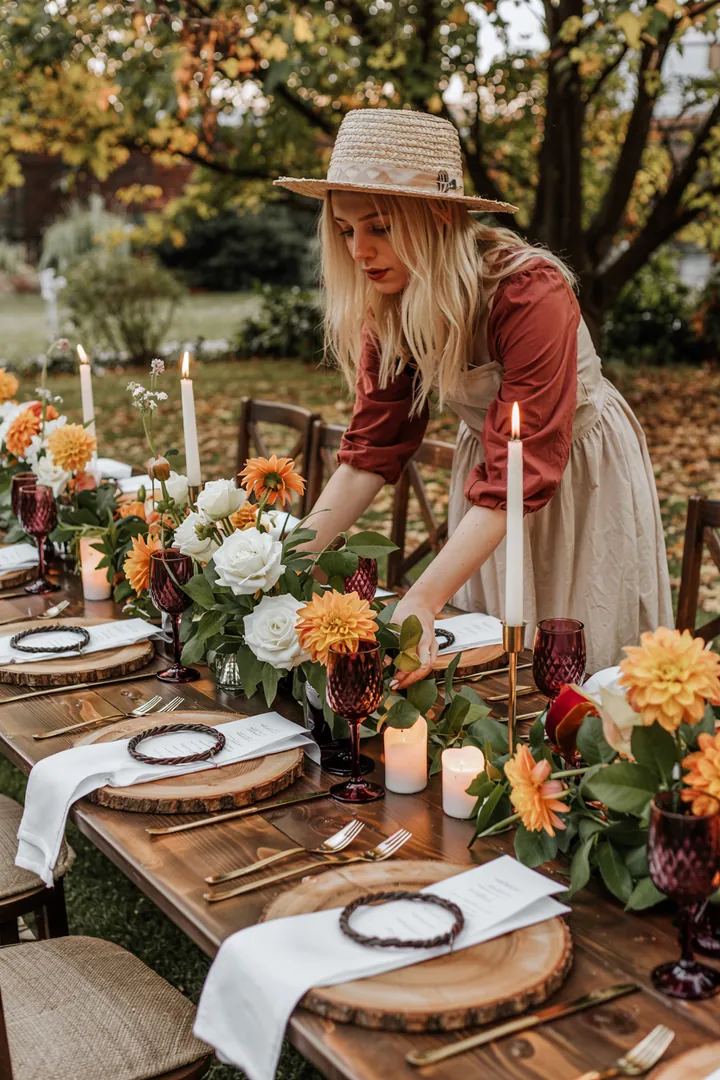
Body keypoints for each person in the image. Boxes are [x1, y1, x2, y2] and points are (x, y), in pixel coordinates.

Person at [274, 108, 672, 684]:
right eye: (345, 230)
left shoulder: (528, 291)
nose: (359, 251)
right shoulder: (391, 302)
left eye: (380, 227)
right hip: (489, 484)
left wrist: (424, 598)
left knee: (579, 659)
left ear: (439, 214)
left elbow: (527, 461)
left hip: (579, 478)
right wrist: (287, 563)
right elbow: (372, 449)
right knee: (493, 663)